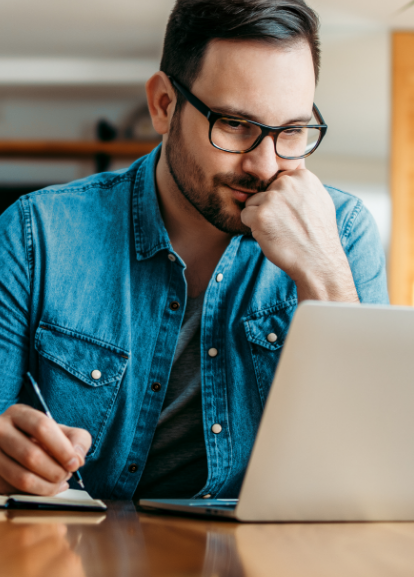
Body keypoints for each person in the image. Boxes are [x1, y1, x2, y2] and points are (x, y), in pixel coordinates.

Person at [0, 0, 388, 501]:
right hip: (76, 563)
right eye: (234, 124)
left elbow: (371, 473)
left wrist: (324, 274)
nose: (265, 165)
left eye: (292, 131)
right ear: (163, 105)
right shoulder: (36, 235)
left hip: (266, 572)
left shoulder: (344, 233)